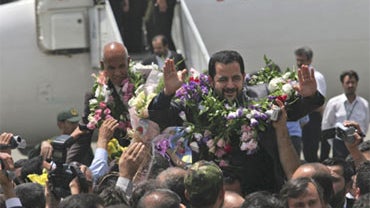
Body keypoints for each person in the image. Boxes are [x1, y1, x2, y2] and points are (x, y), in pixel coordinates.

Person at [148, 50, 325, 194]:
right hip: (215, 191)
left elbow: (296, 111)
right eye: (223, 80)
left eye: (236, 78)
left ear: (244, 76)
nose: (231, 85)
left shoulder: (262, 95)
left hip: (264, 188)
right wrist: (167, 93)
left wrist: (310, 96)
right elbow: (161, 117)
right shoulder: (196, 102)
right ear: (210, 80)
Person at [75, 42, 134, 166]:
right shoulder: (95, 96)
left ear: (128, 62)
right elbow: (84, 134)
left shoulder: (144, 86)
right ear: (103, 66)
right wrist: (67, 163)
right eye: (111, 68)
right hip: (116, 163)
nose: (117, 72)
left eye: (122, 66)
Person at [322, 70, 369, 159]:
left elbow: (365, 125)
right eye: (347, 82)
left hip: (357, 143)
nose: (350, 85)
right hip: (339, 143)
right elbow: (326, 124)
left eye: (353, 82)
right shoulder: (333, 102)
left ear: (357, 83)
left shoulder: (364, 104)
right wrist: (334, 142)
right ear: (342, 84)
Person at [295, 46, 328, 162]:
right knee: (303, 152)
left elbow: (319, 103)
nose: (299, 63)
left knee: (311, 152)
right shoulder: (297, 76)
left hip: (312, 118)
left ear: (309, 61)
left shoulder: (316, 77)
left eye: (302, 61)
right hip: (301, 119)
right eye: (297, 60)